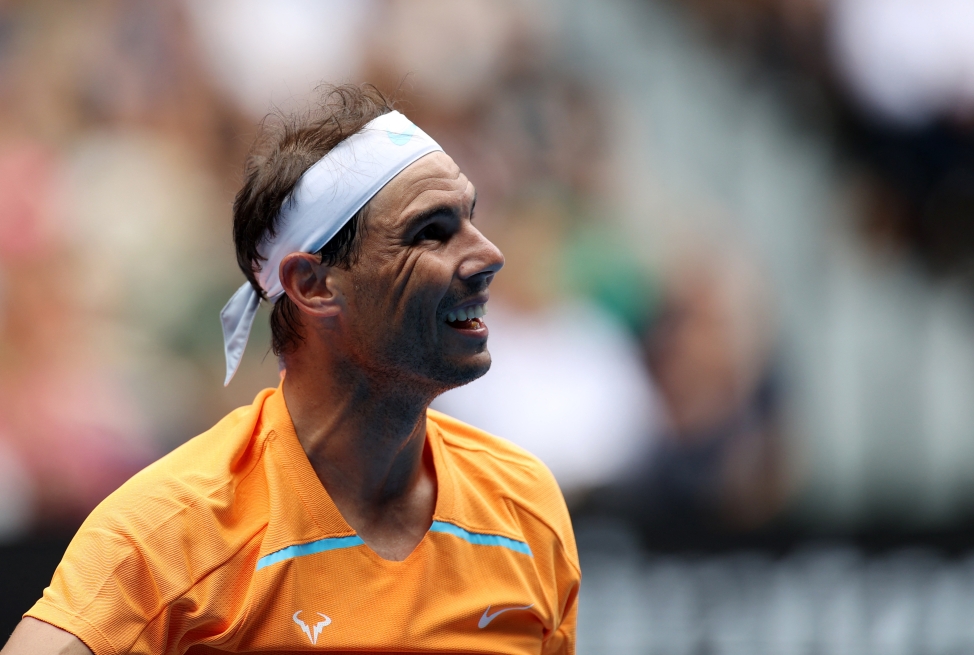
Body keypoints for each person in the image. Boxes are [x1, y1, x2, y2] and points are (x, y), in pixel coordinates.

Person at [1, 85, 580, 655]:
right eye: (430, 233)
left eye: (471, 218)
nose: (489, 256)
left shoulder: (525, 508)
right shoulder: (169, 535)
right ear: (313, 284)